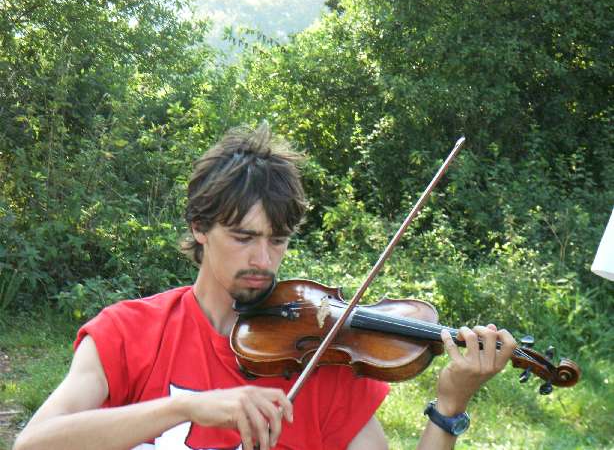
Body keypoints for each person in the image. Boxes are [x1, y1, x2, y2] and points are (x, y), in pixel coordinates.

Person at [13, 123, 517, 450]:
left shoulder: (319, 359)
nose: (263, 260)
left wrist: (449, 408)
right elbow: (33, 442)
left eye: (277, 241)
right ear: (199, 227)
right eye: (243, 237)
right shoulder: (129, 332)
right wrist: (184, 407)